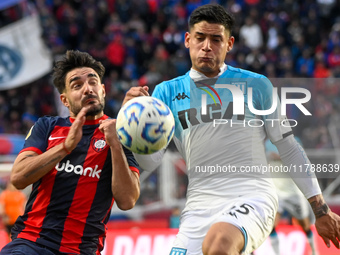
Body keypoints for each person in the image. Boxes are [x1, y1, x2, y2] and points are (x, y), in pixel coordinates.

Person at [124, 4, 340, 255]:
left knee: (219, 245)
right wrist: (132, 127)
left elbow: (289, 148)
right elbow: (150, 162)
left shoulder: (257, 85)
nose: (206, 46)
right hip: (198, 207)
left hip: (252, 196)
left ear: (229, 43)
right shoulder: (166, 93)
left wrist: (321, 209)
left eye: (216, 39)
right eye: (199, 37)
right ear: (187, 40)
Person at [0, 50, 140, 255]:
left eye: (93, 82)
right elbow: (19, 177)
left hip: (81, 250)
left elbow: (128, 201)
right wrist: (65, 147)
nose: (87, 89)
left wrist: (115, 145)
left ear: (102, 90)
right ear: (65, 100)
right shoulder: (47, 127)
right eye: (77, 85)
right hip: (31, 243)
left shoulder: (120, 135)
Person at [265, 138, 317, 255]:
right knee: (271, 226)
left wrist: (280, 156)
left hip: (294, 194)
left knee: (305, 226)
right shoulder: (268, 143)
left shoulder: (294, 141)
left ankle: (314, 251)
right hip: (278, 193)